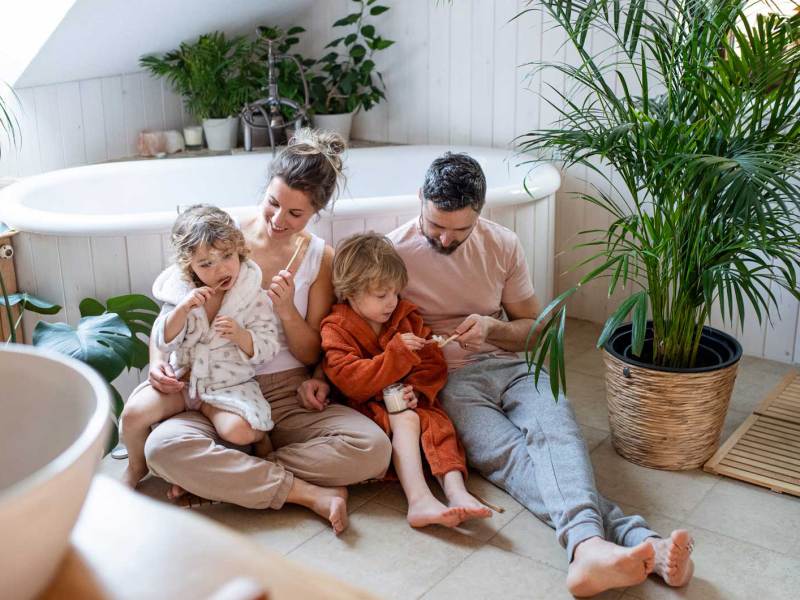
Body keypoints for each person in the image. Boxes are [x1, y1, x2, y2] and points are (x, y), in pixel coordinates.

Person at [383, 152, 695, 597]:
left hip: (511, 366)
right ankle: (634, 541)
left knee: (556, 429)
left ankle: (593, 549)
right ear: (420, 200)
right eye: (436, 226)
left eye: (460, 229)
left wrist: (493, 328)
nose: (447, 239)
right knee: (514, 458)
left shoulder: (502, 244)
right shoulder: (393, 251)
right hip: (447, 382)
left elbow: (533, 332)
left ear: (481, 213)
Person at [131, 129, 392, 535]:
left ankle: (230, 476)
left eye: (295, 214)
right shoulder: (223, 237)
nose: (277, 220)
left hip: (284, 393)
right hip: (214, 386)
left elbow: (311, 355)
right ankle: (304, 492)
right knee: (161, 449)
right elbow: (170, 309)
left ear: (315, 213)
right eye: (273, 203)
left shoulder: (320, 259)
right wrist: (157, 361)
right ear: (267, 190)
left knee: (374, 450)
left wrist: (286, 310)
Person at [320, 233, 492, 528]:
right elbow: (351, 381)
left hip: (408, 400)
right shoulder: (336, 328)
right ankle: (419, 500)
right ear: (350, 291)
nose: (391, 302)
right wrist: (395, 355)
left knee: (439, 424)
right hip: (365, 407)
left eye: (395, 293)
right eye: (381, 295)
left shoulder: (405, 316)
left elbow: (431, 362)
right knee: (406, 421)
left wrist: (418, 392)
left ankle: (457, 492)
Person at [121, 205, 280, 489]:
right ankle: (136, 466)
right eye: (206, 264)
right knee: (133, 415)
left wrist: (241, 335)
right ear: (189, 266)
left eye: (227, 257)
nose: (221, 269)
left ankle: (259, 438)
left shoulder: (250, 295)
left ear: (239, 251)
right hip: (183, 383)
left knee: (239, 432)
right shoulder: (181, 294)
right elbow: (162, 338)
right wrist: (182, 310)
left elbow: (269, 344)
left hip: (227, 385)